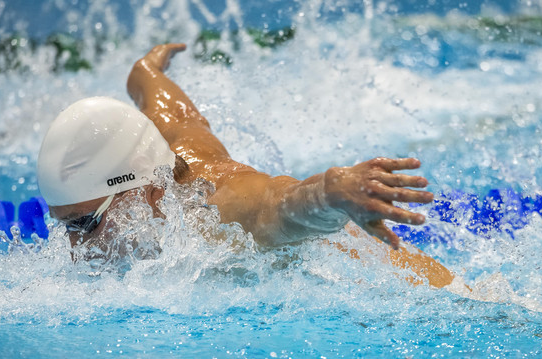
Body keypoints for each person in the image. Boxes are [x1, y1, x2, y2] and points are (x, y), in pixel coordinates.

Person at [37, 43, 456, 288]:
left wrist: (329, 191)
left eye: (85, 223)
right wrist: (145, 73)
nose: (76, 248)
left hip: (415, 288)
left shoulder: (215, 210)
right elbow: (176, 116)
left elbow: (277, 205)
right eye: (66, 225)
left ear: (148, 190)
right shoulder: (166, 151)